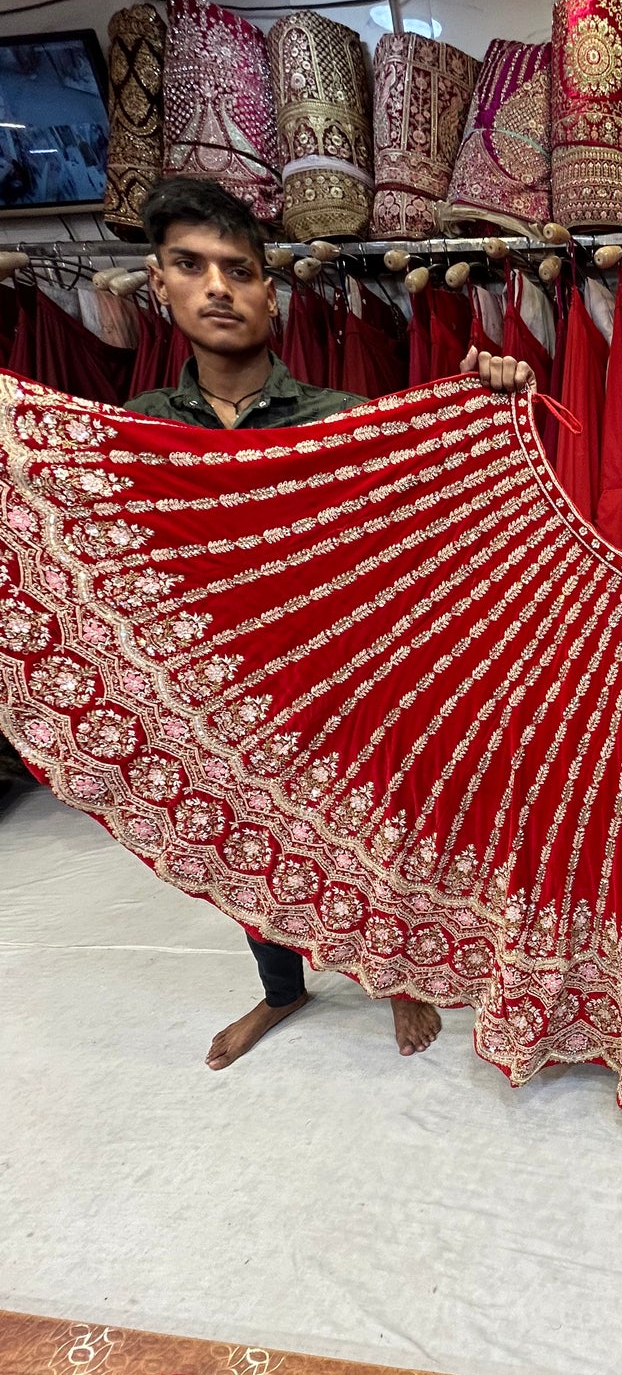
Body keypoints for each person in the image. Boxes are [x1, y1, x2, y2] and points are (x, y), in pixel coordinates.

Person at [126, 178, 508, 1072]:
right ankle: (283, 988)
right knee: (245, 838)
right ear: (159, 284)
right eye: (192, 266)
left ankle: (397, 970)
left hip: (335, 674)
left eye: (239, 270)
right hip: (213, 681)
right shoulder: (137, 428)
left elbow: (422, 486)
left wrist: (478, 395)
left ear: (271, 293)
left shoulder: (333, 420)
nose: (217, 287)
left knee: (370, 824)